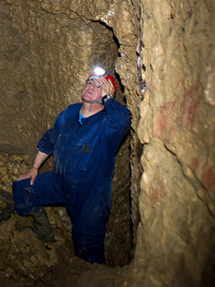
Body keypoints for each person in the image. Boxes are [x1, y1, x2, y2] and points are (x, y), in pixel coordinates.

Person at [12, 68, 130, 264]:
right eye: (90, 82)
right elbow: (49, 141)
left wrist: (110, 99)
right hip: (60, 181)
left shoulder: (108, 124)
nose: (92, 86)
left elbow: (123, 120)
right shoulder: (69, 113)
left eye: (99, 86)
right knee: (21, 189)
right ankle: (43, 228)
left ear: (107, 95)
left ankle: (90, 273)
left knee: (86, 242)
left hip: (91, 193)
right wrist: (34, 168)